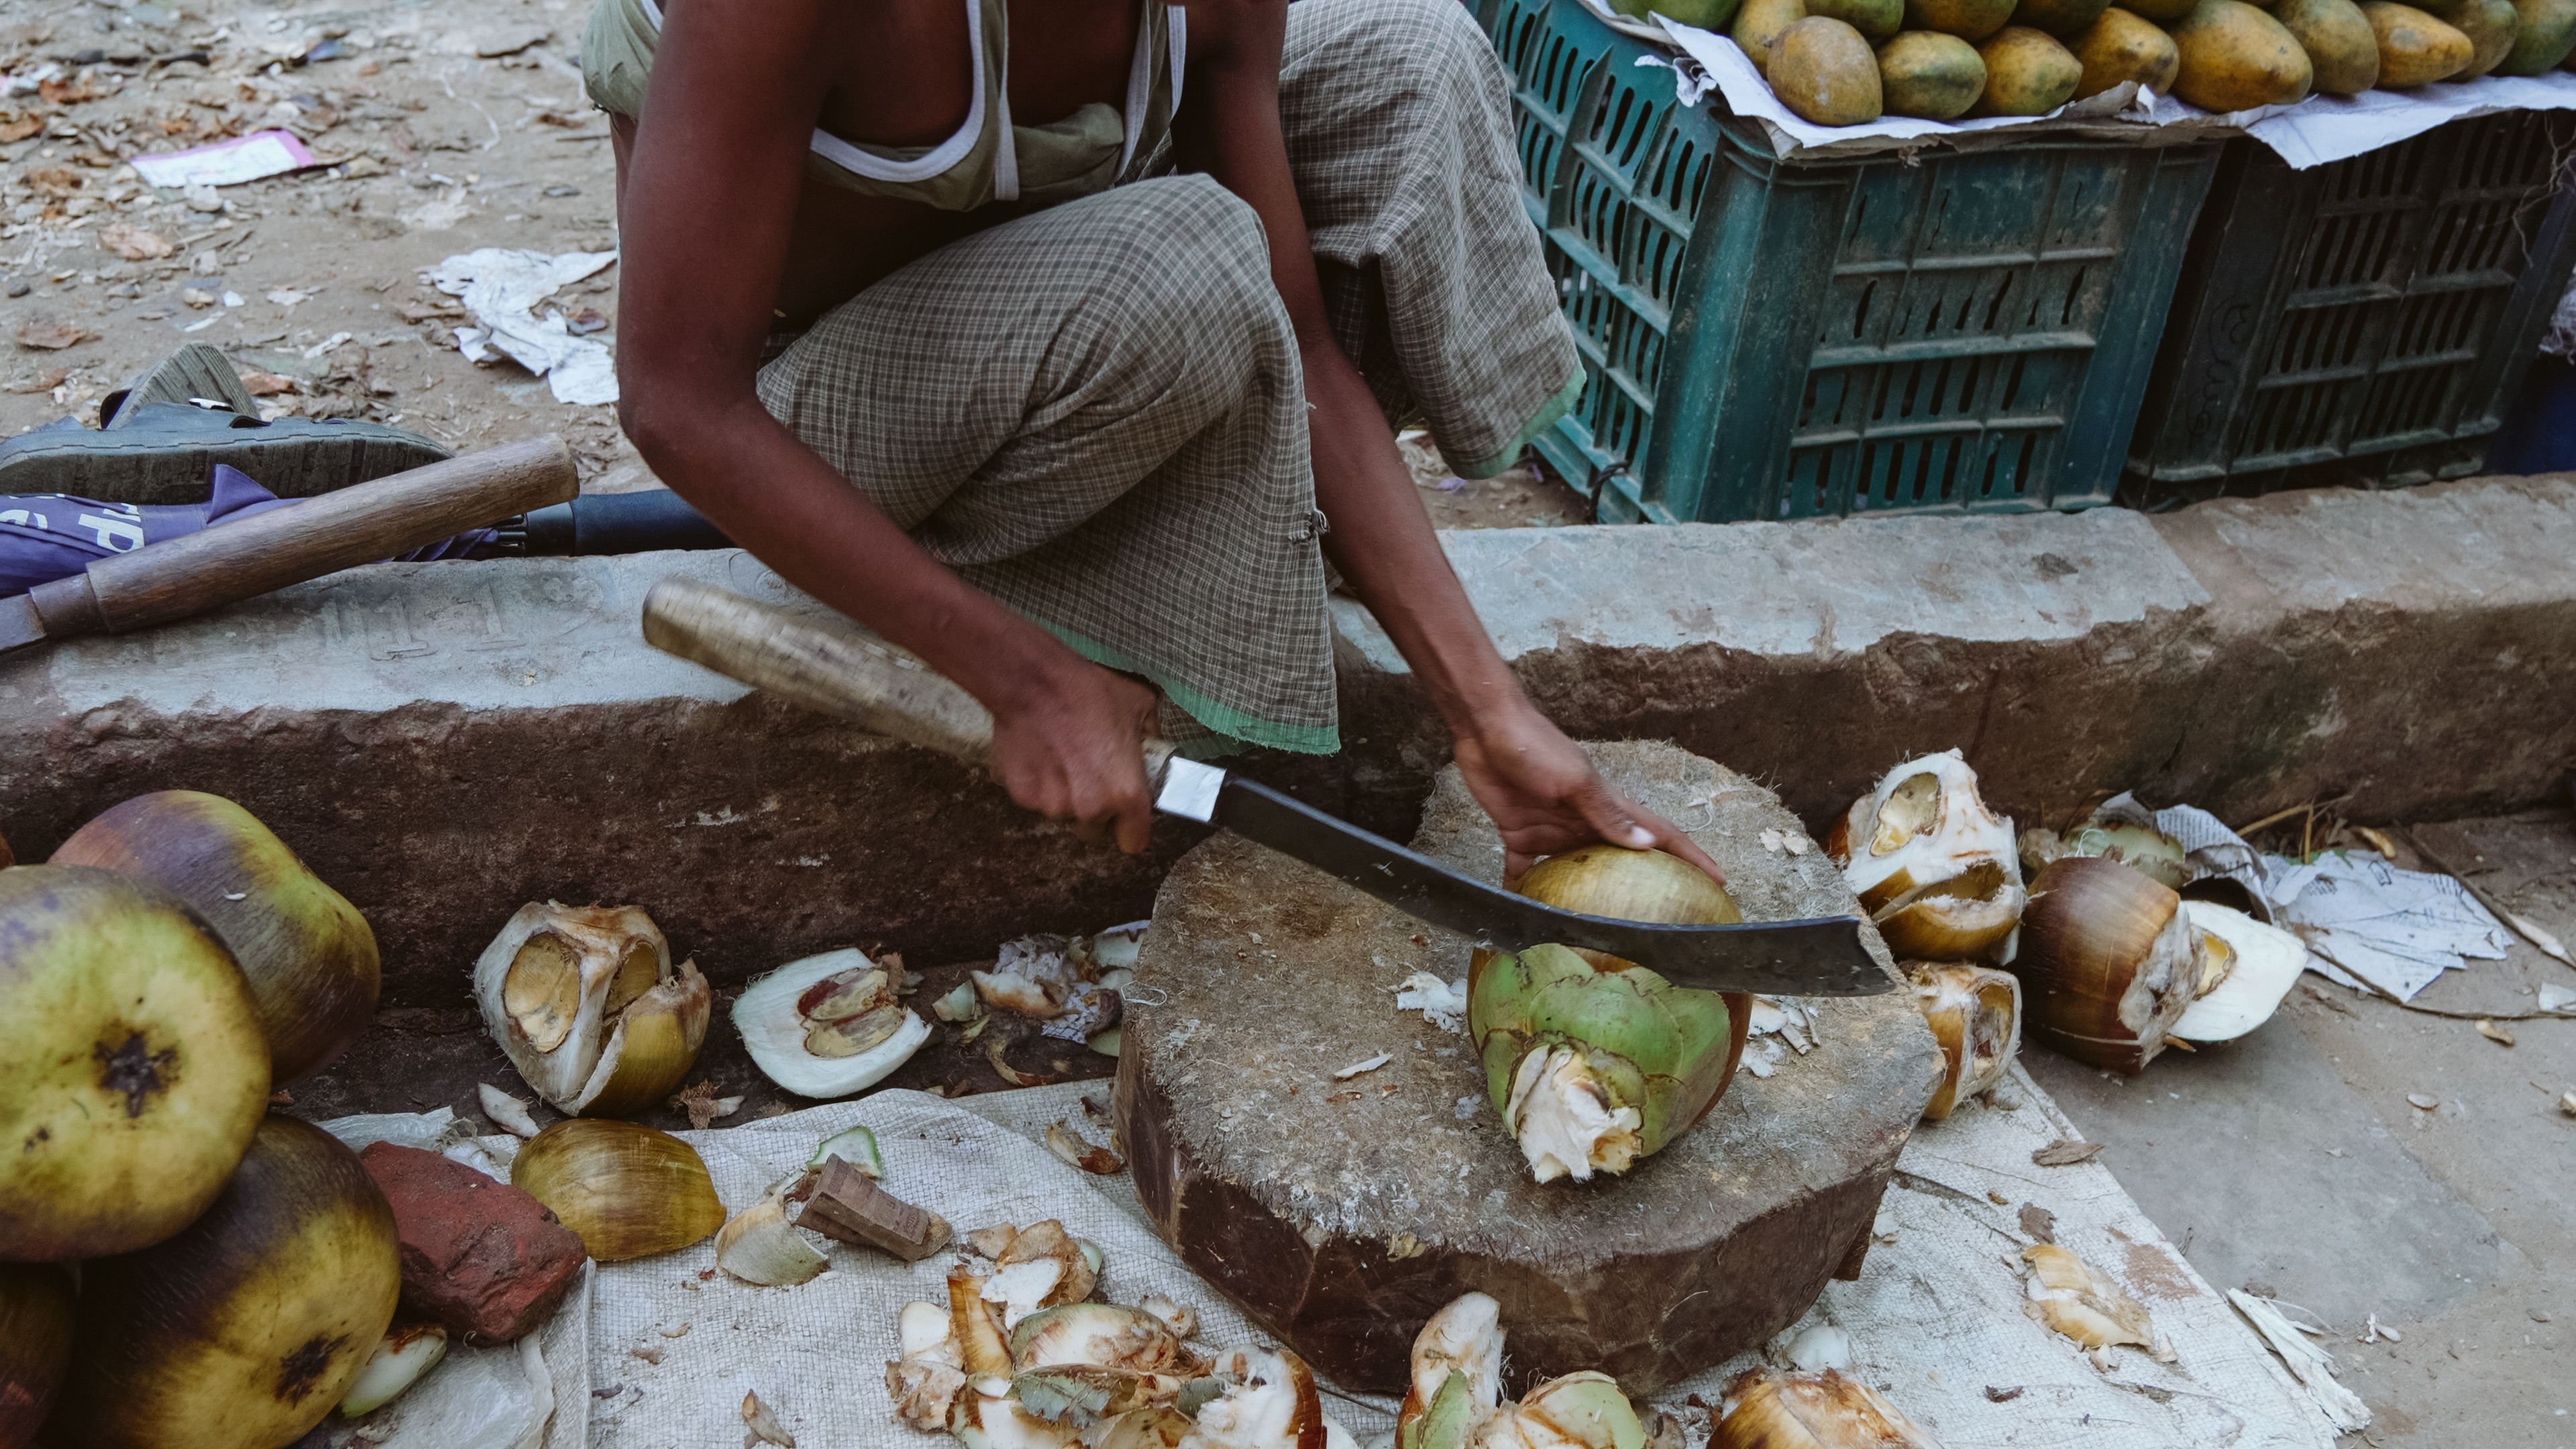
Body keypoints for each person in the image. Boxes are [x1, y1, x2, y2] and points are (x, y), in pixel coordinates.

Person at [590, 0, 1721, 885]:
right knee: (1189, 257)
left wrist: (1491, 715)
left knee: (1412, 59)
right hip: (811, 393)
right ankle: (1036, 594)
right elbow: (680, 400)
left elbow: (1304, 344)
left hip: (1033, 289)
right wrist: (1023, 682)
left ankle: (1135, 554)